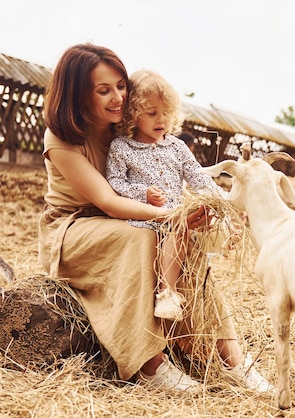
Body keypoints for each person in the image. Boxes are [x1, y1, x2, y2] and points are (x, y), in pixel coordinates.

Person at [38, 43, 273, 393]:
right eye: (104, 90)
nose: (118, 97)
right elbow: (108, 200)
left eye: (120, 86)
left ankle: (233, 359)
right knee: (144, 236)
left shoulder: (123, 130)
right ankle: (149, 364)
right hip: (74, 227)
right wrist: (169, 214)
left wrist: (191, 215)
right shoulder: (61, 138)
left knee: (183, 243)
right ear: (77, 95)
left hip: (129, 215)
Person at [105, 69, 225, 322]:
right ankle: (167, 294)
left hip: (175, 215)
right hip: (144, 217)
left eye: (166, 113)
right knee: (179, 227)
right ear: (133, 115)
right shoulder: (122, 147)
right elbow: (114, 181)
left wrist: (222, 200)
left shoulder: (176, 146)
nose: (162, 120)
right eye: (152, 113)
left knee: (198, 219)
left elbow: (197, 176)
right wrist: (143, 193)